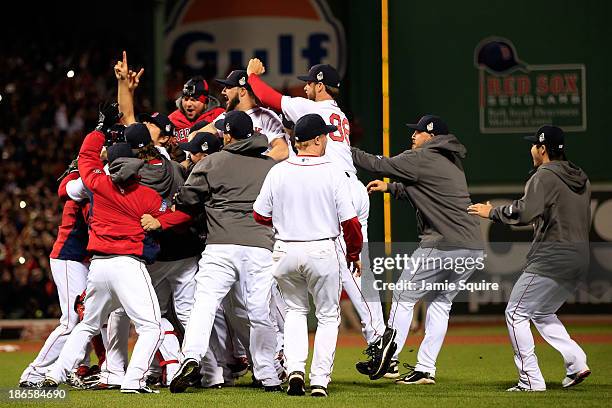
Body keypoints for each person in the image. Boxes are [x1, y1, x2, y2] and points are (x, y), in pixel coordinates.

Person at [246, 58, 389, 363]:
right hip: (351, 186)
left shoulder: (314, 109)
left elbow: (269, 97)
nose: (305, 87)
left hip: (338, 188)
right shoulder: (338, 113)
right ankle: (378, 333)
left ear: (320, 85)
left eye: (309, 82)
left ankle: (378, 335)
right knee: (358, 266)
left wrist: (253, 76)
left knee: (348, 265)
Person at [140, 110, 282, 393]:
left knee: (203, 304)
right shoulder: (270, 167)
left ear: (227, 134)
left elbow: (187, 201)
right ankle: (268, 374)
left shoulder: (213, 162)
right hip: (260, 246)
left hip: (221, 246)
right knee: (257, 310)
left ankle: (191, 357)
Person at [43, 103, 169, 394]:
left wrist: (100, 129)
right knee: (151, 327)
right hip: (128, 266)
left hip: (98, 267)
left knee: (87, 325)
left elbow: (86, 155)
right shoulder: (146, 196)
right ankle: (133, 380)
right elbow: (173, 213)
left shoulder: (98, 183)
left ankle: (56, 372)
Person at [352, 114, 484, 384]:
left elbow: (378, 163)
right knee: (439, 305)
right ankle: (425, 368)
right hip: (471, 247)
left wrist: (344, 148)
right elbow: (422, 188)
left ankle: (389, 359)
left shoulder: (423, 157)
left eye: (419, 132)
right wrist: (390, 188)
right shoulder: (449, 160)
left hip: (444, 243)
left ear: (432, 137)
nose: (414, 135)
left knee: (402, 295)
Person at [468, 125, 591, 391]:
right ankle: (577, 362)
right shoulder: (581, 177)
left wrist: (492, 212)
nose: (531, 148)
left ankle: (530, 379)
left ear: (543, 149)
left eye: (534, 144)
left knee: (515, 313)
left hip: (553, 256)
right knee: (542, 312)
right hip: (579, 257)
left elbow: (523, 213)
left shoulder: (544, 175)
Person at [253, 114, 363, 397]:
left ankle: (295, 370)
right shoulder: (332, 171)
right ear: (316, 139)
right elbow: (350, 223)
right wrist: (353, 253)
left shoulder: (278, 171)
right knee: (327, 316)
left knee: (295, 312)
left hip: (285, 249)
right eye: (324, 135)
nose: (326, 138)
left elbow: (259, 214)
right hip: (321, 249)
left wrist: (284, 222)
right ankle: (319, 380)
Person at [18, 162, 90, 387]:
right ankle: (34, 373)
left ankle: (74, 368)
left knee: (87, 317)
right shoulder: (83, 181)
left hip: (80, 259)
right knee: (71, 320)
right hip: (69, 257)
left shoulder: (83, 179)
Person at [169, 77, 225, 142]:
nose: (188, 104)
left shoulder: (219, 115)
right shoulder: (172, 119)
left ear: (205, 102)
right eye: (186, 99)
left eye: (193, 100)